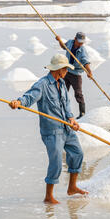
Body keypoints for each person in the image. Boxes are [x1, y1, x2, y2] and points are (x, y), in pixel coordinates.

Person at [9, 54, 88, 204]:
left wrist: (71, 119)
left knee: (77, 153)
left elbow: (67, 105)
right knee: (56, 161)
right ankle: (48, 196)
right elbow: (29, 97)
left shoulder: (62, 84)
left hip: (66, 127)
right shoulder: (42, 84)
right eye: (66, 69)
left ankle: (72, 187)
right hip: (52, 132)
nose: (67, 72)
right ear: (59, 69)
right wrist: (18, 102)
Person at [56, 32, 92, 119]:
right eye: (79, 41)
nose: (81, 44)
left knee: (78, 93)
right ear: (75, 39)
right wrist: (59, 40)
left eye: (82, 42)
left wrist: (89, 72)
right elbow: (63, 47)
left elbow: (85, 62)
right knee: (63, 91)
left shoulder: (82, 50)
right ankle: (61, 111)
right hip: (66, 71)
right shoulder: (70, 43)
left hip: (76, 74)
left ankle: (82, 113)